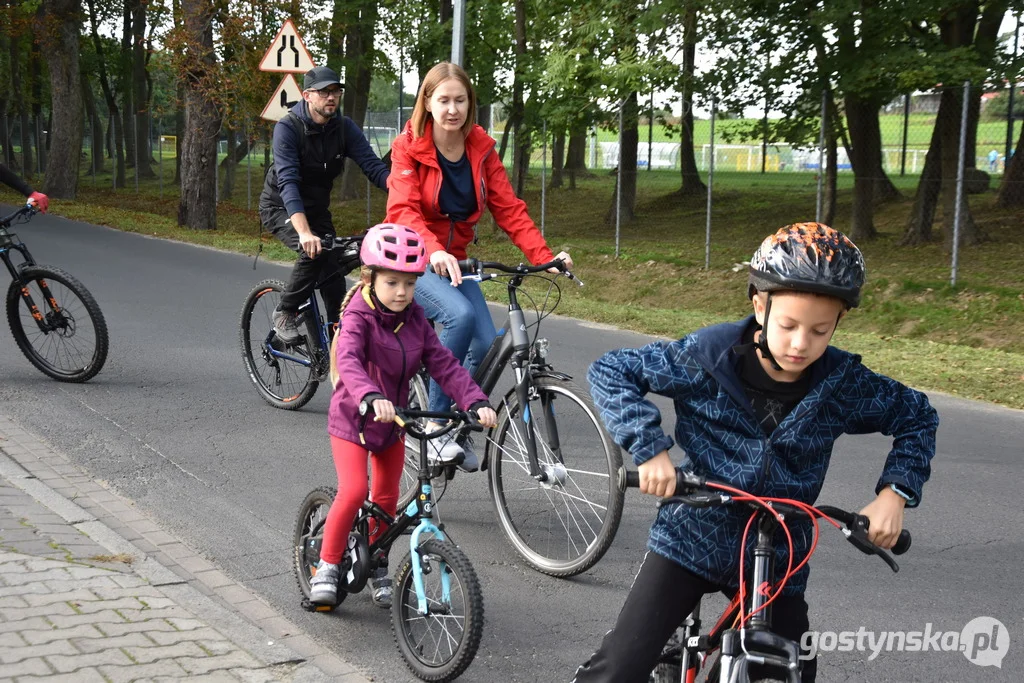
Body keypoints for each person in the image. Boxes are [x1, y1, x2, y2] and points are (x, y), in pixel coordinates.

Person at [572, 223, 938, 683]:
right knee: (621, 668)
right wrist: (649, 451)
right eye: (788, 325)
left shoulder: (841, 384)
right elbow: (611, 371)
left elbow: (918, 417)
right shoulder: (707, 358)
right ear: (759, 305)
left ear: (839, 322)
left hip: (781, 554)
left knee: (789, 670)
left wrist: (894, 494)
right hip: (691, 537)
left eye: (820, 330)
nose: (801, 343)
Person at [385, 61, 573, 470]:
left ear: (471, 104)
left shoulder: (481, 148)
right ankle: (435, 428)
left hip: (457, 260)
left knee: (487, 344)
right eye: (444, 100)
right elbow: (403, 209)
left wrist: (544, 257)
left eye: (461, 100)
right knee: (458, 316)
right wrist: (433, 250)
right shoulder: (408, 146)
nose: (453, 109)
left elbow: (509, 208)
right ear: (428, 103)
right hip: (413, 256)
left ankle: (455, 425)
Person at [310, 223, 498, 608]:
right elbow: (347, 360)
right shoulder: (358, 316)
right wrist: (370, 395)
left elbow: (444, 364)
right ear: (370, 278)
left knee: (385, 500)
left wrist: (475, 401)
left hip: (394, 423)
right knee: (355, 492)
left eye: (410, 284)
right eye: (392, 282)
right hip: (354, 419)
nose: (402, 293)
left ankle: (377, 561)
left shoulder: (415, 320)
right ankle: (328, 564)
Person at [259, 66, 390, 344]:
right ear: (307, 95)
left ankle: (339, 340)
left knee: (334, 276)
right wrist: (304, 232)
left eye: (336, 91)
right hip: (280, 207)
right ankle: (285, 312)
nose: (331, 97)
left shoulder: (343, 128)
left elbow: (373, 167)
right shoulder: (288, 129)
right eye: (324, 92)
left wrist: (404, 191)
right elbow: (289, 183)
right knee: (313, 251)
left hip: (317, 211)